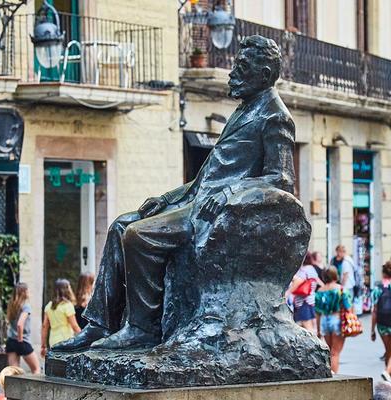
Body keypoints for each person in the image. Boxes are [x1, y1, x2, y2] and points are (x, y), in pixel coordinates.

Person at [55, 35, 298, 351]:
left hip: (213, 213)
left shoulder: (275, 115)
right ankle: (100, 325)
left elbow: (281, 178)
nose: (232, 73)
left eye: (242, 67)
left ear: (263, 75)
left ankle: (142, 329)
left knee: (138, 236)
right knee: (118, 226)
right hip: (193, 201)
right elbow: (205, 176)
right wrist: (167, 198)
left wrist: (231, 192)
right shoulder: (244, 110)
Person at [315, 266, 351, 374]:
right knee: (335, 353)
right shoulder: (341, 289)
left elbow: (317, 312)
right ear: (335, 275)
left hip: (324, 321)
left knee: (330, 351)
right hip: (337, 319)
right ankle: (334, 377)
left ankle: (329, 373)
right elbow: (348, 308)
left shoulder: (319, 291)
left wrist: (318, 330)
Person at [4, 282, 40, 373]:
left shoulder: (11, 305)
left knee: (14, 373)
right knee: (36, 369)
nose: (29, 292)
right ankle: (35, 388)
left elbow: (8, 321)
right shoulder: (26, 306)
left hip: (11, 341)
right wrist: (20, 340)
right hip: (22, 341)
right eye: (27, 290)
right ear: (24, 292)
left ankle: (12, 388)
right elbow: (20, 324)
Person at [41, 279, 81, 356]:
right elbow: (74, 326)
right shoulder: (67, 305)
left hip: (53, 340)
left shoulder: (48, 306)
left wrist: (43, 345)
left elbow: (44, 326)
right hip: (66, 340)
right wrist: (84, 337)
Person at [287, 251, 320, 332]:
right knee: (309, 326)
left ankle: (314, 344)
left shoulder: (304, 270)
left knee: (308, 327)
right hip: (310, 301)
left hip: (303, 301)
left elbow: (298, 281)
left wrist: (288, 292)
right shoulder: (312, 268)